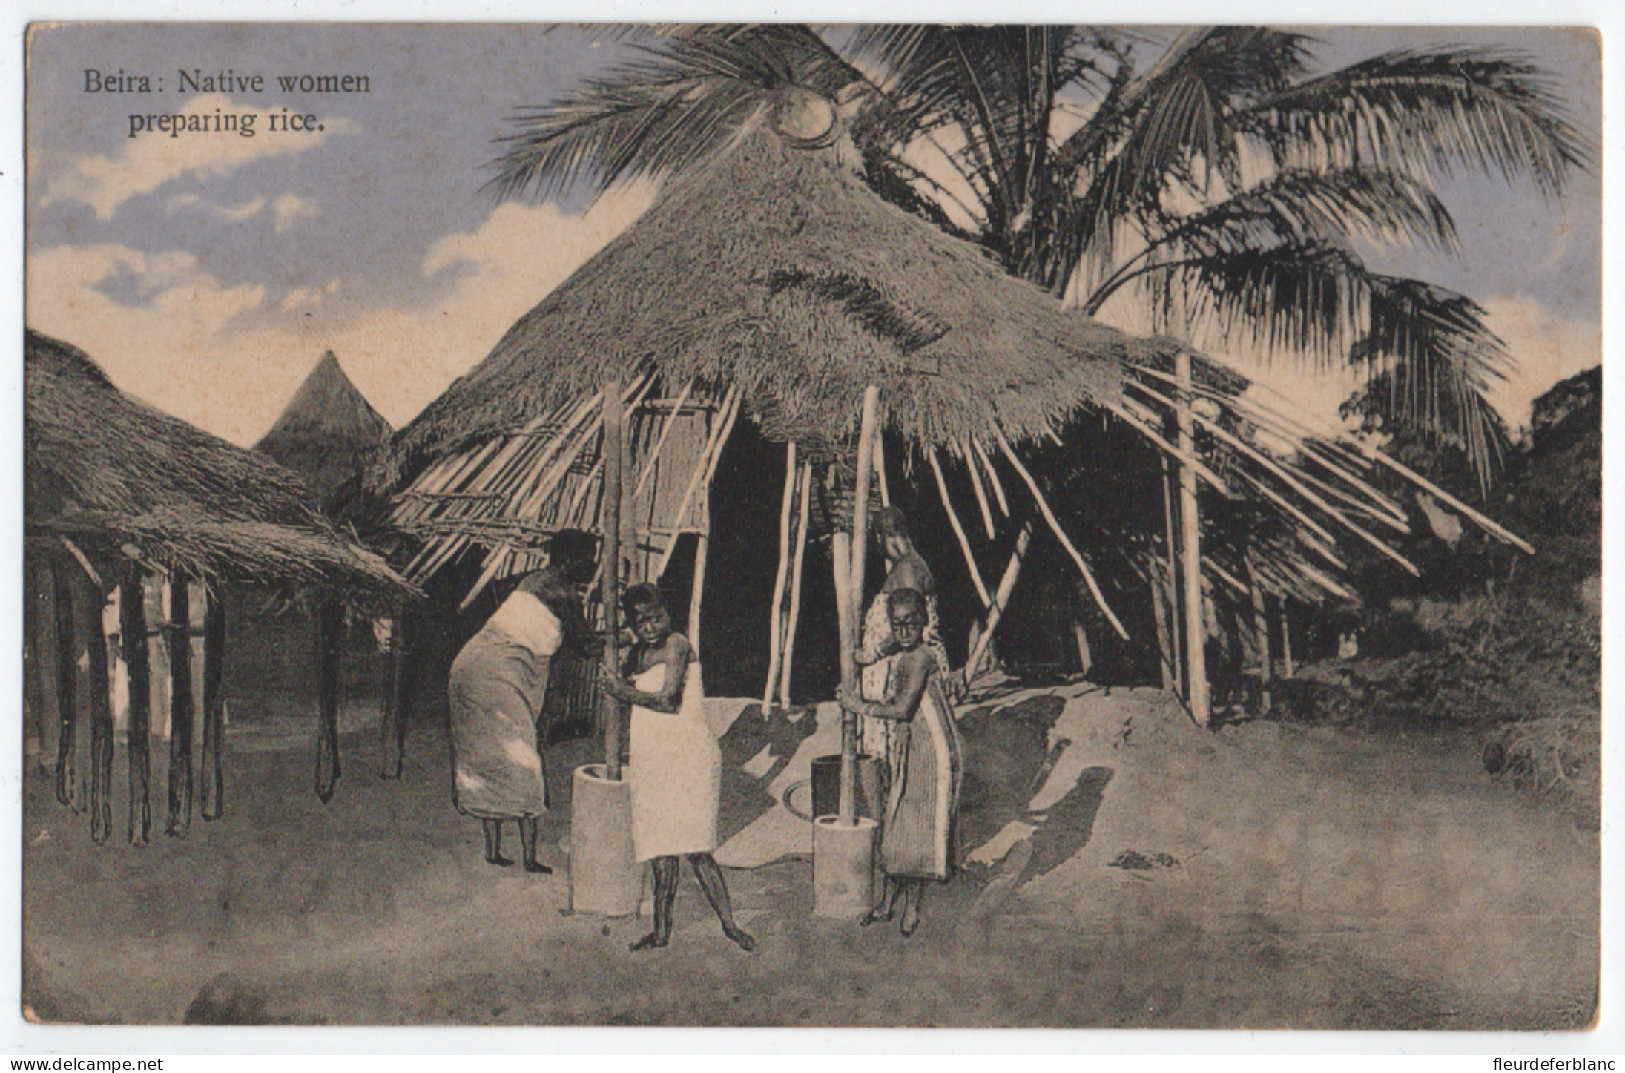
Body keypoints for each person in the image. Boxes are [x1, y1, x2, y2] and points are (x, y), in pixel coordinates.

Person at [600, 583, 755, 953]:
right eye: (642, 622)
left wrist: (621, 691)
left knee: (697, 848)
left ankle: (730, 924)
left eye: (657, 617)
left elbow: (669, 701)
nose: (651, 627)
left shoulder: (678, 645)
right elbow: (608, 642)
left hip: (687, 758)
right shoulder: (637, 651)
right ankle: (661, 931)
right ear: (633, 625)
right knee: (660, 851)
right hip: (653, 758)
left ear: (670, 613)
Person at [447, 530, 598, 873]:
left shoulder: (536, 580)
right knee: (521, 760)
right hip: (493, 674)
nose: (592, 565)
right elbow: (587, 644)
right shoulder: (561, 589)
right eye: (588, 557)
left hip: (473, 668)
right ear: (569, 559)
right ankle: (528, 858)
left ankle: (495, 852)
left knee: (486, 758)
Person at [839, 588, 964, 937]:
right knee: (895, 826)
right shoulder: (907, 647)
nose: (905, 631)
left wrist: (856, 704)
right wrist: (873, 653)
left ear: (925, 621)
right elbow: (897, 643)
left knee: (912, 833)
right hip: (913, 745)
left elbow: (901, 710)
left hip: (932, 750)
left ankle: (910, 908)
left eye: (912, 623)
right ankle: (886, 903)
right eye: (898, 625)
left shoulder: (920, 658)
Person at [856, 507, 955, 761]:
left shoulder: (908, 569)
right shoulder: (907, 564)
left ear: (881, 537)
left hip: (905, 671)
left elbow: (911, 624)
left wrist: (873, 653)